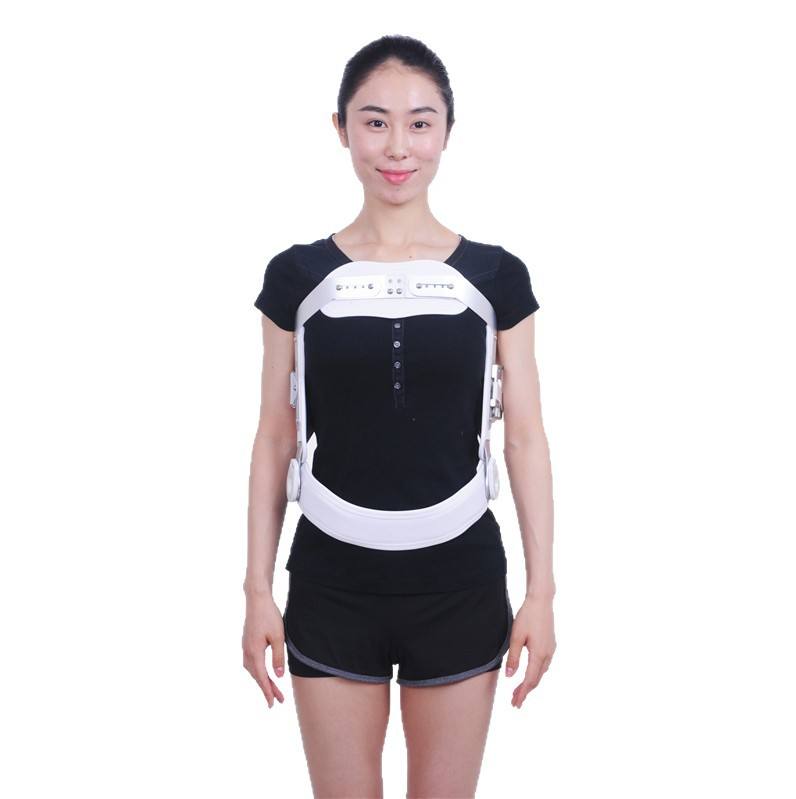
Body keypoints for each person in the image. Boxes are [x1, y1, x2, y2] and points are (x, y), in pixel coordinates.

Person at [242, 34, 556, 798]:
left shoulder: (495, 276)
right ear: (341, 128)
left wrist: (541, 593)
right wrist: (256, 591)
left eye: (419, 123)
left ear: (446, 131)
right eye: (374, 121)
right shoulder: (297, 275)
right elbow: (275, 437)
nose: (396, 146)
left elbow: (523, 437)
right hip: (331, 581)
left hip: (459, 581)